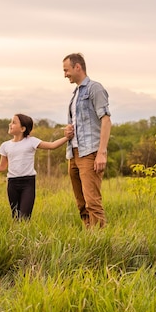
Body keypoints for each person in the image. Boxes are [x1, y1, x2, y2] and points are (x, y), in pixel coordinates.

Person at [0, 113, 71, 219]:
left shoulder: (31, 141)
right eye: (11, 122)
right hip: (12, 183)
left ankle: (25, 234)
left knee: (25, 216)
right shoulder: (5, 145)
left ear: (23, 128)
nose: (10, 124)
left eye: (14, 122)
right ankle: (16, 235)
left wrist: (67, 138)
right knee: (15, 215)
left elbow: (52, 146)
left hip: (28, 183)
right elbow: (2, 166)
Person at [62, 53, 111, 229]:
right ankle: (89, 239)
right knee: (81, 204)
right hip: (73, 153)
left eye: (66, 70)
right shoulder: (75, 94)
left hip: (89, 153)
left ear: (77, 67)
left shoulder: (94, 88)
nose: (65, 74)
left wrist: (101, 153)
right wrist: (69, 129)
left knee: (93, 203)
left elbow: (106, 120)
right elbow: (81, 122)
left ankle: (100, 245)